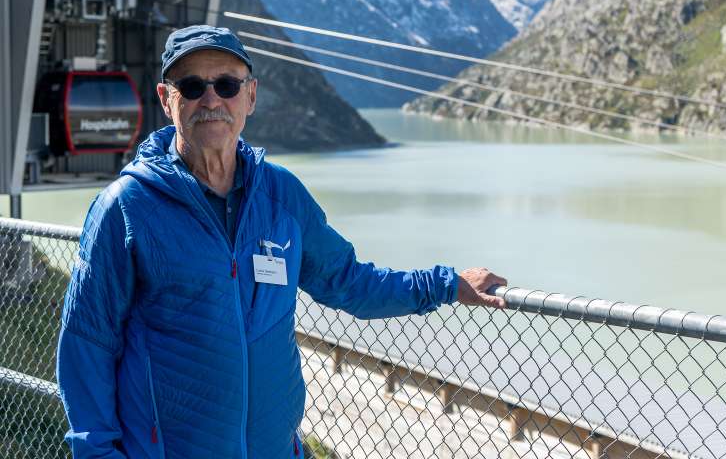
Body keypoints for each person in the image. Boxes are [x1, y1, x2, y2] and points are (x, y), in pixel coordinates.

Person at [56, 25, 507, 459]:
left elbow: (347, 281)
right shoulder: (126, 208)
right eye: (192, 86)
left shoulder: (280, 196)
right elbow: (87, 344)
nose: (211, 99)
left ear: (250, 96)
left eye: (227, 85)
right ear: (166, 100)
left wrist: (446, 284)